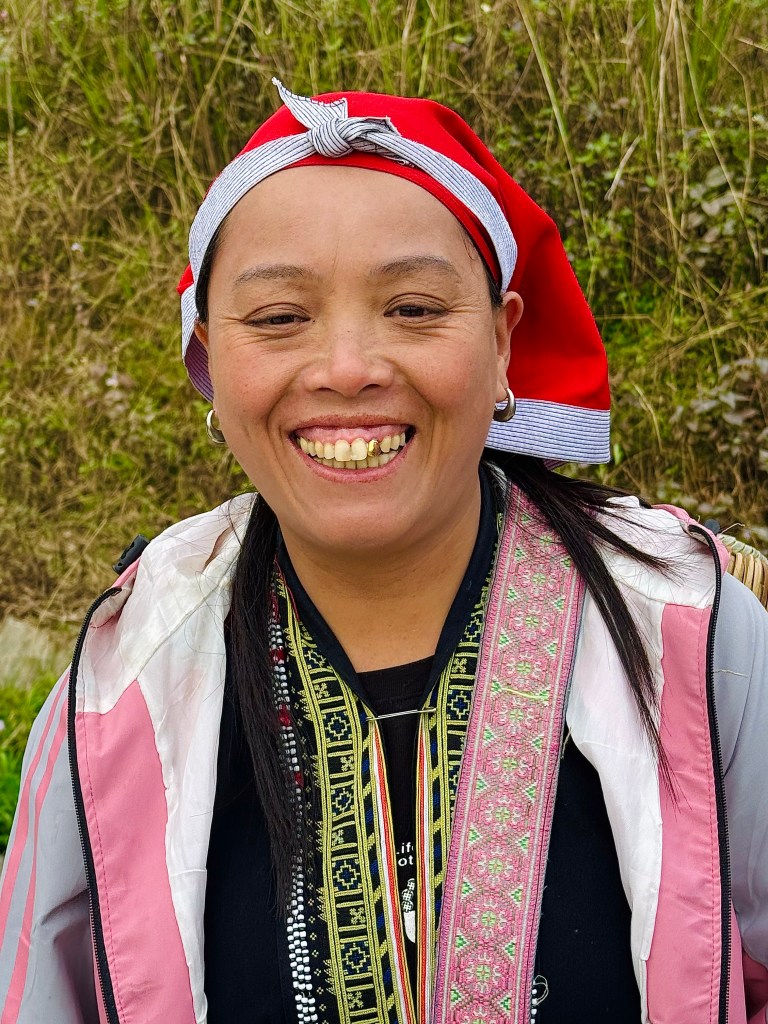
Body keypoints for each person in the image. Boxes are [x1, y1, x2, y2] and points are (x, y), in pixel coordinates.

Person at [0, 78, 766, 1024]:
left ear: (502, 343)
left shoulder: (695, 637)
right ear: (208, 356)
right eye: (279, 317)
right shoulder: (118, 688)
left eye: (413, 307)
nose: (348, 368)